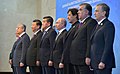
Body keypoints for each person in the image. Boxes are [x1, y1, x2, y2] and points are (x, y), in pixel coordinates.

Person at [70, 3, 97, 74]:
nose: (78, 12)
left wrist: (88, 56)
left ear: (86, 12)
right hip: (76, 58)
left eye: (80, 10)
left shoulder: (91, 22)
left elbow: (90, 40)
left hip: (83, 59)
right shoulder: (80, 24)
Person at [90, 3, 115, 74]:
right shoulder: (97, 26)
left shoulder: (108, 25)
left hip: (102, 63)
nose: (94, 13)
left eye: (97, 11)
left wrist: (103, 61)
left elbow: (108, 45)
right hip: (95, 63)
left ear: (104, 13)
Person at [59, 8, 80, 74]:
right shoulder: (72, 27)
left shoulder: (78, 26)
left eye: (69, 15)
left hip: (72, 58)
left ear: (75, 16)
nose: (68, 17)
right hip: (68, 58)